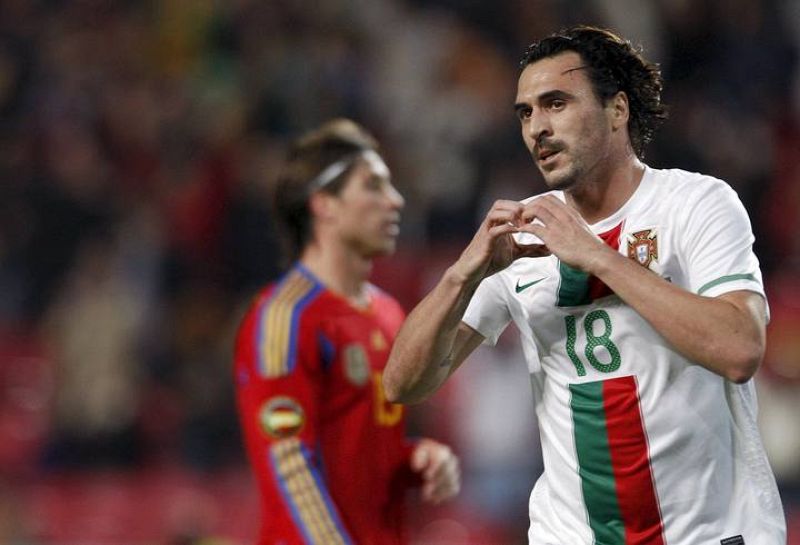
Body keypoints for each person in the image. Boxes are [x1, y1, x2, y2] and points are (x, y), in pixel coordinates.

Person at [383, 25, 786, 545]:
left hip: (711, 534)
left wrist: (597, 256)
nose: (537, 129)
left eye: (556, 104)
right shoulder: (522, 241)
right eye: (526, 113)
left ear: (617, 110)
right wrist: (464, 273)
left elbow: (740, 349)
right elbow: (402, 385)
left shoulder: (696, 204)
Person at [233, 118, 460, 545]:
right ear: (325, 205)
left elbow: (360, 449)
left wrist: (415, 459)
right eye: (374, 186)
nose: (395, 200)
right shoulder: (286, 317)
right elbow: (289, 463)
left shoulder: (388, 312)